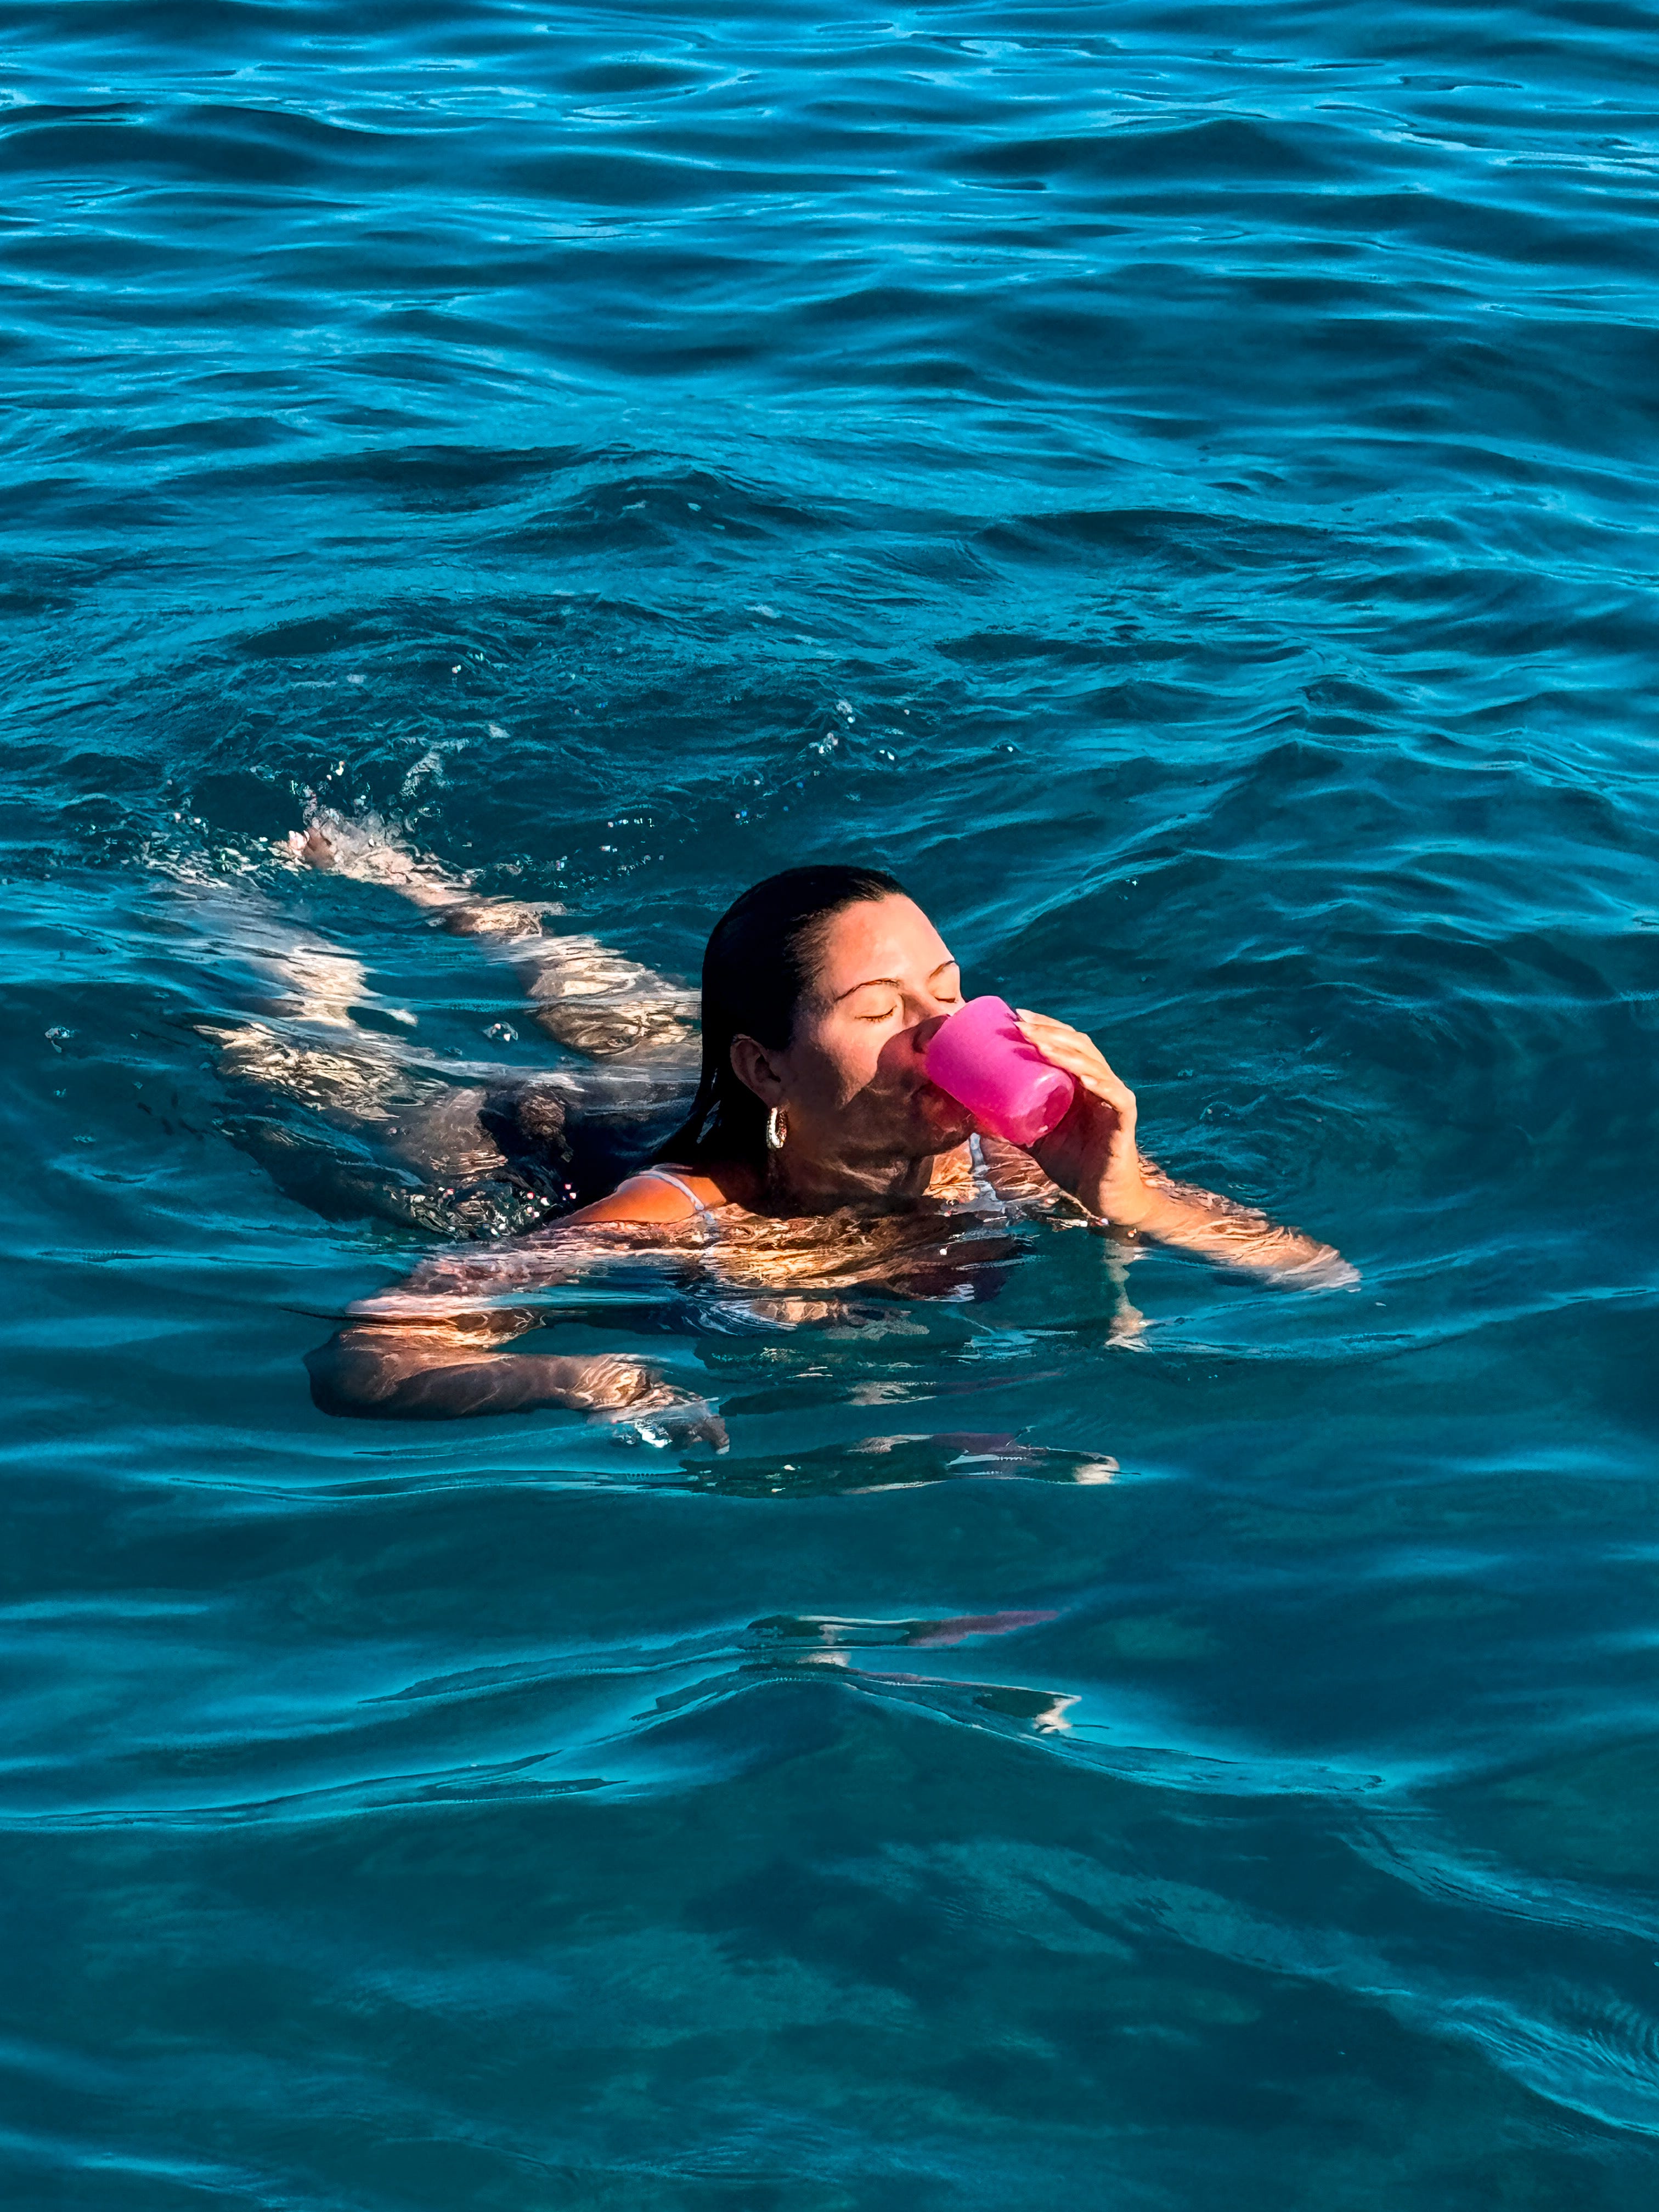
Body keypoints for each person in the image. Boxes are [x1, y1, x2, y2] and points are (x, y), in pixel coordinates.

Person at [301, 858, 1353, 1438]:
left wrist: (1129, 1198)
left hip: (730, 1082)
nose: (939, 1033)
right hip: (525, 1131)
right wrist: (584, 1378)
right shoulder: (679, 1219)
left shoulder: (1012, 1158)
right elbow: (372, 1350)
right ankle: (259, 914)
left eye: (948, 993)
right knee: (313, 1045)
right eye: (882, 1011)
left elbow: (1323, 1278)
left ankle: (454, 896)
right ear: (767, 1069)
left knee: (614, 1002)